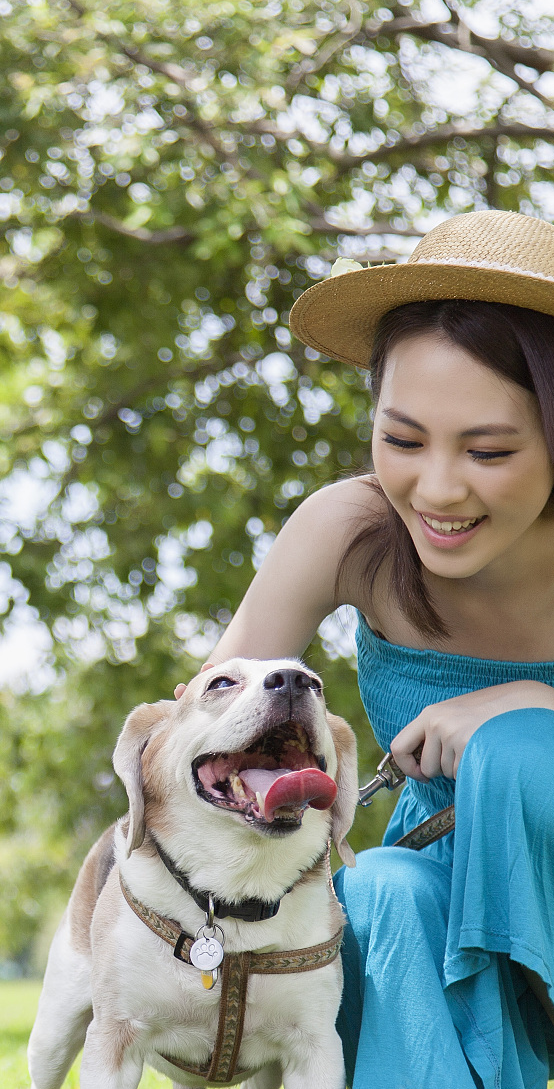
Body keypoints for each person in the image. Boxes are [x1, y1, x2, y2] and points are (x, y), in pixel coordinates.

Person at [200, 209, 554, 1088]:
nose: (436, 488)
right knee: (386, 886)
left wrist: (527, 703)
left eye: (489, 449)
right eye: (402, 440)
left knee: (517, 751)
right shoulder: (352, 531)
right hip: (441, 907)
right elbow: (204, 721)